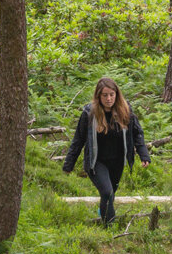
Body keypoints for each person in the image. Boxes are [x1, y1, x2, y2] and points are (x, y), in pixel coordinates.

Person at [63, 76, 150, 226]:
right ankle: (110, 227)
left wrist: (144, 154)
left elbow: (137, 133)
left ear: (117, 94)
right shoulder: (89, 113)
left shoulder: (126, 110)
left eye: (112, 95)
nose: (109, 99)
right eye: (105, 95)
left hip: (117, 162)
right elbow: (78, 140)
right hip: (97, 162)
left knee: (110, 195)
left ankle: (102, 213)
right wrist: (68, 165)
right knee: (107, 192)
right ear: (98, 96)